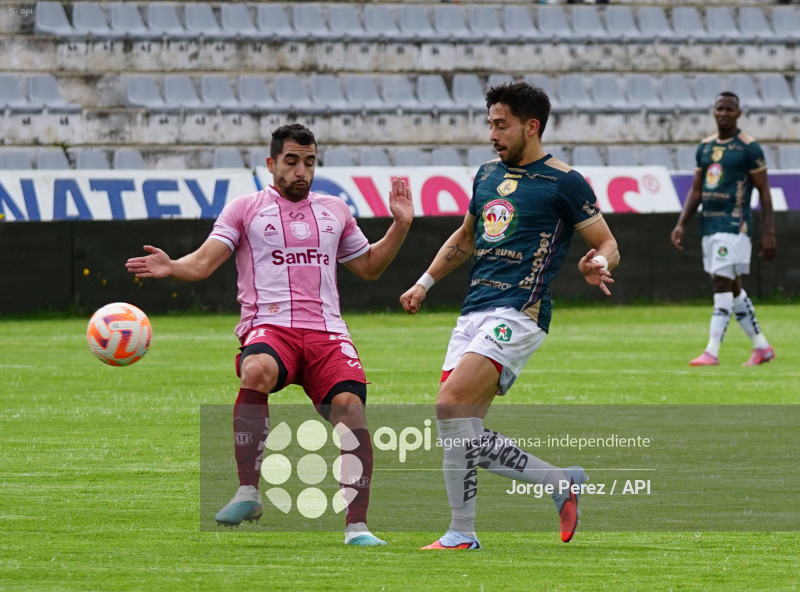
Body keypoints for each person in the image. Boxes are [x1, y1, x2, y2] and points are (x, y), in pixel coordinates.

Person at [126, 124, 414, 546]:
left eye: (310, 162)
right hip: (270, 326)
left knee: (352, 412)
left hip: (327, 333)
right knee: (257, 369)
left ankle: (357, 527)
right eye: (292, 161)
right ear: (272, 163)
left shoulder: (335, 210)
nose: (302, 171)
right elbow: (205, 262)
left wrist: (400, 226)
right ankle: (248, 491)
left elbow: (369, 267)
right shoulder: (245, 209)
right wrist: (173, 266)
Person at [399, 82, 619, 550]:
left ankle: (463, 531)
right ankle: (550, 485)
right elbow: (465, 238)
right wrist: (424, 282)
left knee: (447, 405)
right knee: (463, 433)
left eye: (502, 125)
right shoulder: (484, 175)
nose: (493, 134)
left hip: (521, 311)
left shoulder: (564, 181)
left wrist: (598, 263)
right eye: (490, 124)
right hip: (472, 312)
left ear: (531, 127)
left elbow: (607, 242)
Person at [670, 91, 777, 366]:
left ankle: (712, 351)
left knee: (720, 282)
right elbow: (696, 190)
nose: (724, 113)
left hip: (735, 225)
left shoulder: (749, 148)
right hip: (710, 224)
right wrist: (682, 224)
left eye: (730, 109)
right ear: (714, 111)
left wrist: (769, 233)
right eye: (720, 108)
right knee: (732, 287)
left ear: (738, 113)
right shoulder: (705, 148)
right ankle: (762, 347)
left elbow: (764, 191)